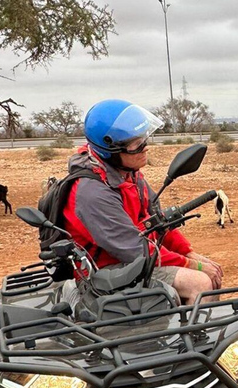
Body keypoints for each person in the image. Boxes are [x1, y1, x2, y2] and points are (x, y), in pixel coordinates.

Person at [63, 99, 223, 304]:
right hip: (104, 270)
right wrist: (193, 266)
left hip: (131, 259)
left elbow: (158, 221)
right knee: (200, 283)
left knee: (209, 271)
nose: (145, 148)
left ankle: (193, 328)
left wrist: (189, 253)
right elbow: (134, 249)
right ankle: (191, 335)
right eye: (137, 146)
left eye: (144, 141)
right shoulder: (93, 193)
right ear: (111, 150)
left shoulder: (128, 175)